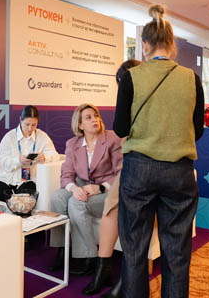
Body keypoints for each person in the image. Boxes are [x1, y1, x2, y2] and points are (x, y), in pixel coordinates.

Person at [113, 4, 204, 298]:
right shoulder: (192, 78)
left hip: (138, 170)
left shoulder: (132, 77)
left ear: (144, 45)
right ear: (172, 44)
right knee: (176, 251)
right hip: (179, 171)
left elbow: (120, 128)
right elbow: (198, 131)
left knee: (134, 248)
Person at [82, 59, 140, 297]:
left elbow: (122, 130)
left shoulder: (146, 99)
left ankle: (127, 278)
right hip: (130, 165)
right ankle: (102, 268)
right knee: (111, 206)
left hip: (146, 166)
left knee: (129, 211)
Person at [49, 103, 122, 276]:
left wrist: (101, 187)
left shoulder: (112, 138)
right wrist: (74, 188)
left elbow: (122, 172)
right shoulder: (72, 144)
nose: (95, 120)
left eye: (96, 116)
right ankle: (63, 249)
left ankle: (90, 256)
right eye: (88, 118)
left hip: (109, 191)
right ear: (80, 125)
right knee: (57, 197)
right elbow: (66, 174)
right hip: (84, 186)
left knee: (76, 203)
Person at [0, 105, 59, 202]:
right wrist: (18, 161)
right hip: (7, 179)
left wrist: (44, 157)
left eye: (34, 125)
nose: (30, 128)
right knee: (2, 194)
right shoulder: (9, 137)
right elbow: (2, 161)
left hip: (28, 181)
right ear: (20, 120)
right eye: (27, 124)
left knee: (24, 199)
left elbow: (55, 155)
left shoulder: (42, 136)